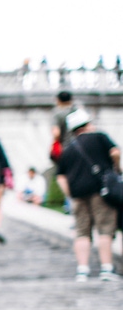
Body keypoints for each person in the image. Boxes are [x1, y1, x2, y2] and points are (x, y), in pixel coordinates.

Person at [56, 109, 121, 282]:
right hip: (101, 191)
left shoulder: (68, 149)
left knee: (82, 232)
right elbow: (115, 152)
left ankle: (82, 270)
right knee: (105, 229)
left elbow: (61, 176)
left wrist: (70, 193)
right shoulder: (99, 137)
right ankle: (106, 269)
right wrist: (116, 168)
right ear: (88, 124)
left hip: (78, 194)